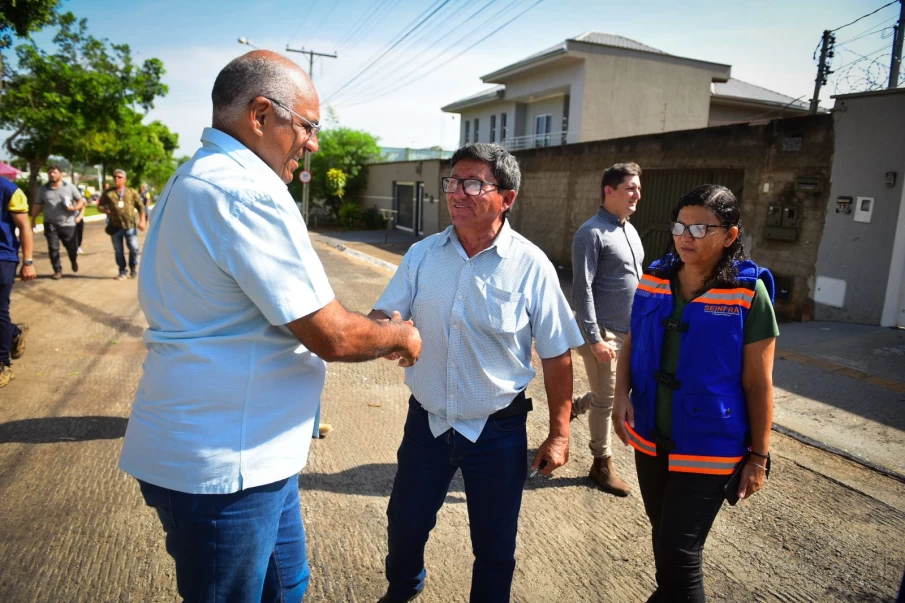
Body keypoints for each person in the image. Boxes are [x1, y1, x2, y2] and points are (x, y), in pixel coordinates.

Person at [118, 50, 421, 603]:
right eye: (307, 126)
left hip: (253, 454)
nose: (313, 143)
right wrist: (399, 334)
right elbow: (333, 334)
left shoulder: (198, 177)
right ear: (261, 115)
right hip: (223, 468)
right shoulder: (246, 192)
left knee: (287, 586)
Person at [370, 142, 584, 603]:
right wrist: (387, 330)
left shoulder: (531, 266)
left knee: (494, 545)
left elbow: (557, 354)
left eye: (473, 184)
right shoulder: (423, 254)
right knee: (405, 524)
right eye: (452, 182)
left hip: (498, 431)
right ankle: (404, 586)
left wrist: (559, 435)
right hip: (426, 422)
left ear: (506, 198)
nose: (457, 193)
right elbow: (386, 312)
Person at [612, 184, 778, 602]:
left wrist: (759, 456)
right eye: (681, 226)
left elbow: (759, 383)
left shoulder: (747, 293)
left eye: (702, 228)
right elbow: (632, 342)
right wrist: (620, 396)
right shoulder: (654, 279)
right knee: (663, 533)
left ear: (730, 235)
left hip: (711, 444)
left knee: (680, 551)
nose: (687, 236)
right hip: (650, 436)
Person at [571, 162, 644, 496]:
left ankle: (577, 405)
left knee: (618, 393)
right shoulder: (591, 233)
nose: (637, 194)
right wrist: (595, 337)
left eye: (638, 188)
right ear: (609, 191)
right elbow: (581, 290)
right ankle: (601, 465)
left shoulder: (630, 229)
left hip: (631, 332)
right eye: (630, 188)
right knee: (607, 401)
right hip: (603, 332)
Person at [0, 177, 36, 387]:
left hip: (3, 257)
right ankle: (14, 332)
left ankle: (3, 365)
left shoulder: (9, 189)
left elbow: (24, 227)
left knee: (0, 310)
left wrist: (28, 261)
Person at [29, 166, 85, 280]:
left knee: (71, 247)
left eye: (54, 172)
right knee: (53, 248)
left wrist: (74, 209)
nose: (52, 175)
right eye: (50, 173)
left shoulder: (70, 187)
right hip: (50, 223)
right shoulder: (43, 189)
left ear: (61, 174)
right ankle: (57, 270)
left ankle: (73, 260)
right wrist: (33, 220)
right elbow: (37, 205)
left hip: (68, 224)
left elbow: (81, 201)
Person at [97, 169, 146, 279]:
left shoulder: (131, 192)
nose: (116, 179)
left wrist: (142, 221)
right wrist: (105, 210)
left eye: (119, 177)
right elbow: (99, 206)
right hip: (115, 227)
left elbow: (141, 207)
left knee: (134, 248)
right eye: (115, 177)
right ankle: (122, 271)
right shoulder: (108, 193)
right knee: (119, 251)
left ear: (125, 179)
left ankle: (133, 267)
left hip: (130, 226)